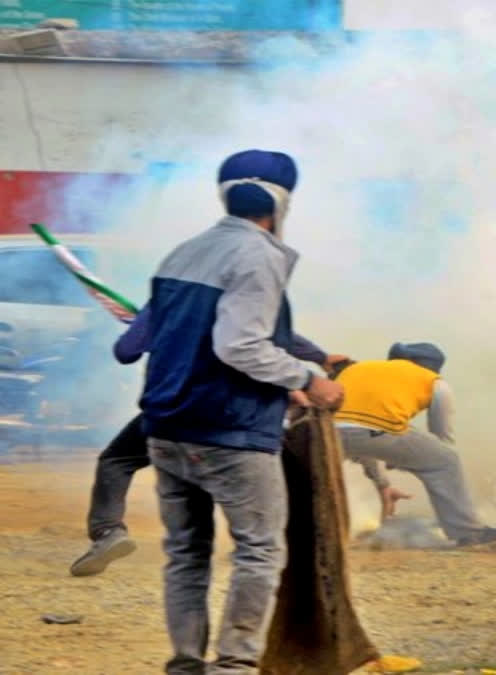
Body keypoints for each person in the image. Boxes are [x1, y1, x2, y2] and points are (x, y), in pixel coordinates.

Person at [140, 149, 345, 674]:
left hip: (167, 427)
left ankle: (187, 663)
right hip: (229, 430)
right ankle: (234, 666)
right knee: (259, 551)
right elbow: (239, 345)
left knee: (186, 553)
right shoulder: (259, 255)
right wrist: (307, 380)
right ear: (282, 204)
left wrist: (289, 378)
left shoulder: (183, 252)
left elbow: (181, 342)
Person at [68, 308, 344, 578]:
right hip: (232, 415)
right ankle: (260, 548)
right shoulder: (244, 306)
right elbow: (278, 340)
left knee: (117, 460)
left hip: (175, 410)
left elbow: (126, 352)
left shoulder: (167, 303)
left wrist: (147, 324)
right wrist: (318, 359)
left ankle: (108, 531)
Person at [332, 342, 496, 547]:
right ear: (431, 366)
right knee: (445, 460)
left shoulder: (357, 368)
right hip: (378, 431)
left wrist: (384, 481)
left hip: (330, 431)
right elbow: (441, 433)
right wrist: (414, 458)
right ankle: (467, 531)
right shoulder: (434, 381)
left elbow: (356, 436)